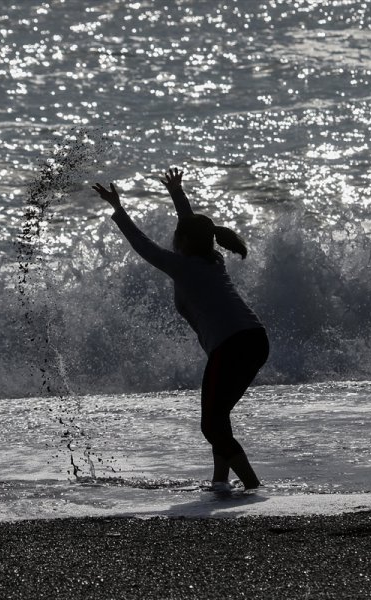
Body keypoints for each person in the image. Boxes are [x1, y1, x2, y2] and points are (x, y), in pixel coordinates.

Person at [92, 168, 269, 492]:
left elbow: (143, 245)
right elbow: (194, 227)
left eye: (178, 235)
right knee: (219, 417)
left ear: (184, 241)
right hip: (254, 340)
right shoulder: (212, 258)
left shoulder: (182, 265)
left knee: (212, 425)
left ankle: (252, 485)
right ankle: (220, 482)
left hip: (231, 345)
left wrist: (118, 210)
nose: (173, 239)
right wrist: (177, 193)